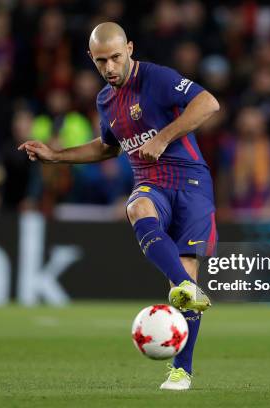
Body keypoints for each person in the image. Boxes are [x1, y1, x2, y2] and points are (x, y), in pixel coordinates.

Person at [19, 22, 219, 390]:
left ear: (129, 48)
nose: (109, 67)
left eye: (114, 57)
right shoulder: (105, 100)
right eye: (100, 61)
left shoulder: (156, 78)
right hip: (151, 182)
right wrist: (57, 156)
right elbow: (108, 146)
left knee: (187, 277)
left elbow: (208, 102)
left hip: (190, 181)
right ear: (90, 59)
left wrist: (163, 137)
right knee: (137, 209)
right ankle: (183, 286)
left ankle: (182, 370)